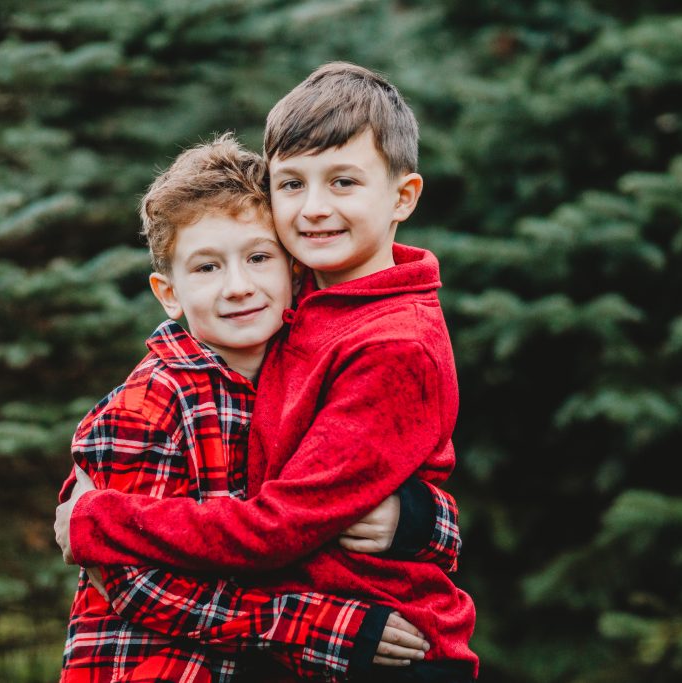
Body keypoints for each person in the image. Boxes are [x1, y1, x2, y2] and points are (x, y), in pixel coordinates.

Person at [59, 62, 478, 682]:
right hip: (296, 647)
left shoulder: (392, 341)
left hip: (386, 644)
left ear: (402, 197)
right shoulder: (299, 311)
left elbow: (283, 520)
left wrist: (101, 518)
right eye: (291, 185)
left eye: (342, 182)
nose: (314, 209)